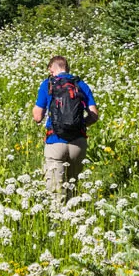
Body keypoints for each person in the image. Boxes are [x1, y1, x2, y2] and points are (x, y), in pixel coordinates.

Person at [32, 56, 98, 198]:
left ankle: (58, 219)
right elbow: (94, 115)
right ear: (67, 68)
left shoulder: (47, 84)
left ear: (51, 69)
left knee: (56, 193)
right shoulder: (80, 84)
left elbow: (37, 117)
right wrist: (80, 124)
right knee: (72, 190)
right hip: (78, 143)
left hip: (55, 141)